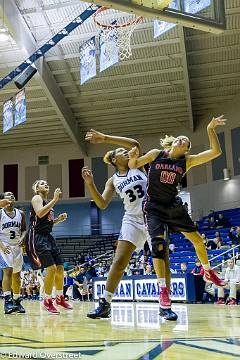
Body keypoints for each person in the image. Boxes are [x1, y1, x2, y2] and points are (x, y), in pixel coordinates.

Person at [128, 115, 226, 319]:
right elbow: (134, 165)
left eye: (186, 141)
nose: (182, 139)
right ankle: (163, 291)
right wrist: (132, 156)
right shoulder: (156, 154)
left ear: (186, 149)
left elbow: (216, 152)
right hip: (154, 207)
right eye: (180, 138)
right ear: (173, 143)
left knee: (198, 240)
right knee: (157, 246)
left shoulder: (186, 161)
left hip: (174, 207)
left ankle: (208, 271)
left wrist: (210, 129)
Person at [82, 129, 151, 319]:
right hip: (132, 220)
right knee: (119, 262)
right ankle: (105, 303)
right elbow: (102, 204)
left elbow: (135, 143)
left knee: (161, 258)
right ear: (114, 160)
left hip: (152, 217)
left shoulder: (138, 165)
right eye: (121, 152)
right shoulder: (112, 180)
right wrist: (90, 184)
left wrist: (105, 138)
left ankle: (165, 304)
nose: (126, 152)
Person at [26, 180, 72, 314]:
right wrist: (55, 199)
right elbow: (40, 213)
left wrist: (58, 220)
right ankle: (47, 300)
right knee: (51, 269)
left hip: (48, 236)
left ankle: (59, 297)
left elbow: (46, 222)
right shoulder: (37, 198)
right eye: (41, 183)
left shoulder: (48, 204)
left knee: (60, 268)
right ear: (36, 188)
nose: (45, 184)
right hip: (37, 236)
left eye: (46, 183)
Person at [0, 192, 26, 314]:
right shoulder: (0, 213)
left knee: (16, 276)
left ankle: (17, 300)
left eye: (12, 195)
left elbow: (24, 230)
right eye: (8, 195)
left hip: (17, 247)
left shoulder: (20, 214)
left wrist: (22, 238)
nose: (11, 196)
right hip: (4, 246)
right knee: (8, 271)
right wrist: (2, 247)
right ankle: (7, 301)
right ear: (3, 199)